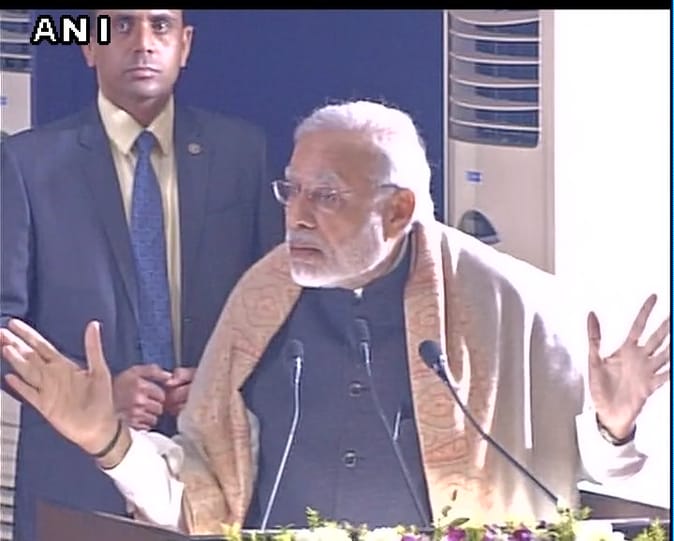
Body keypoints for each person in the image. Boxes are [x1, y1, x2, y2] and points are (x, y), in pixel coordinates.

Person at [1, 100, 669, 535]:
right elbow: (200, 497)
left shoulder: (515, 307)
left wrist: (614, 428)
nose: (296, 215)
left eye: (326, 196)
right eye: (291, 190)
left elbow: (592, 491)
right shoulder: (258, 303)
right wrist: (107, 440)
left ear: (398, 210)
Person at [0, 9, 283, 541]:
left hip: (217, 468)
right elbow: (3, 325)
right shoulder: (26, 164)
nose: (144, 43)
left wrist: (222, 383)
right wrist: (93, 394)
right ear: (88, 46)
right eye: (122, 26)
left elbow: (279, 306)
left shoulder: (242, 153)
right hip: (74, 478)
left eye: (161, 26)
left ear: (185, 44)